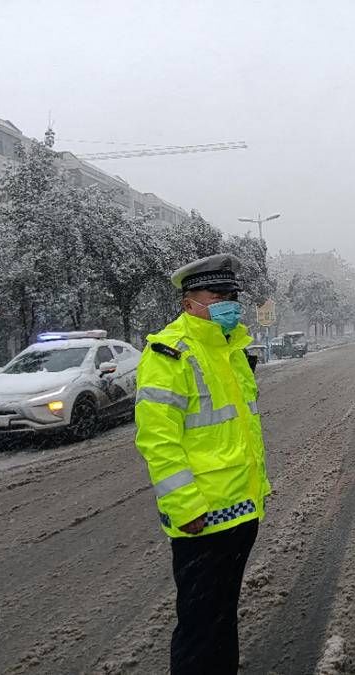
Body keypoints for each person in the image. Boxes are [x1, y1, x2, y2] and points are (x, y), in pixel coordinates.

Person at [134, 253, 271, 674]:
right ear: (189, 300)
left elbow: (240, 429)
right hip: (202, 517)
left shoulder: (230, 350)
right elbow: (158, 440)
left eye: (232, 294)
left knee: (222, 617)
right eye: (218, 294)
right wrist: (186, 506)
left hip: (240, 510)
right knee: (199, 626)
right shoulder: (169, 354)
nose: (229, 302)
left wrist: (257, 490)